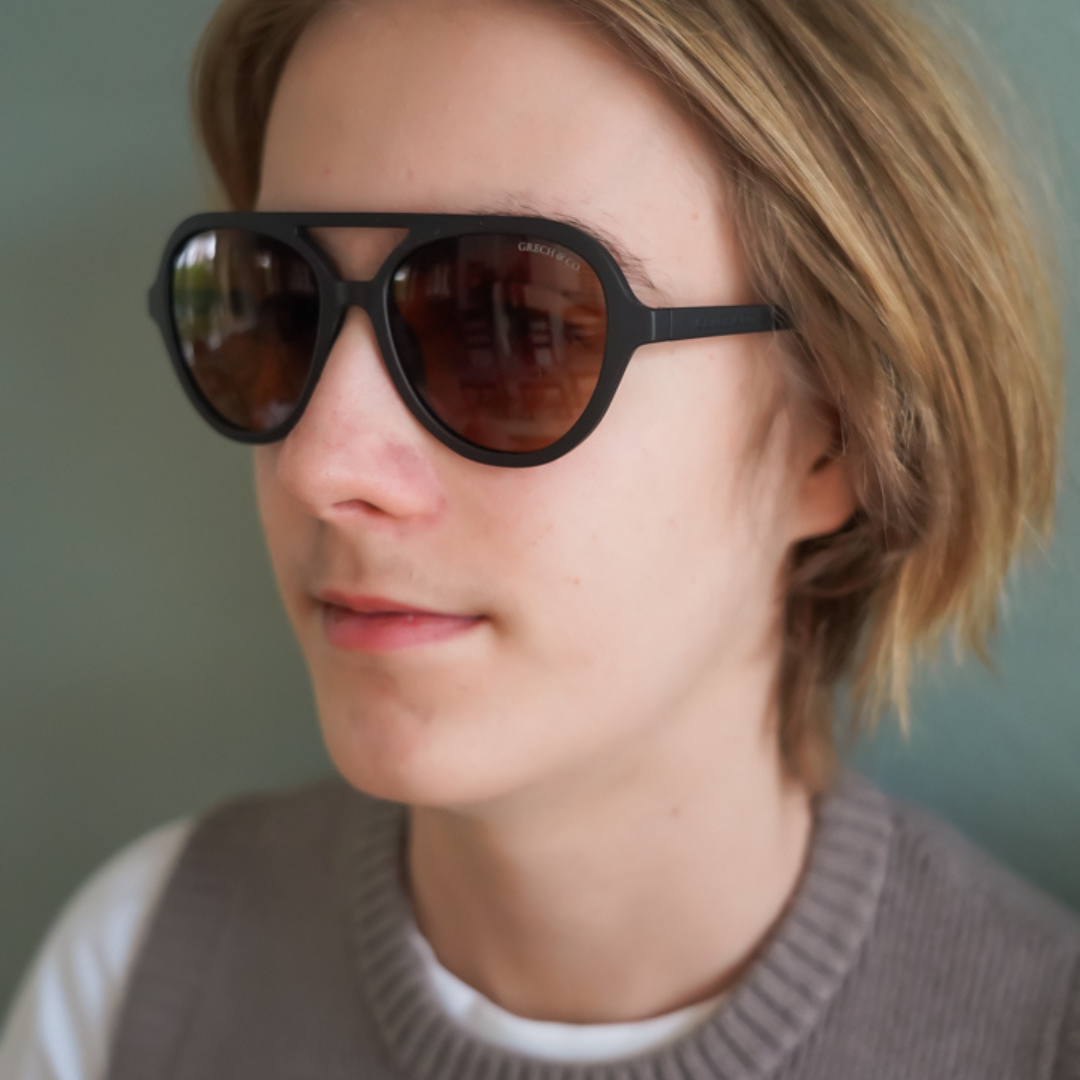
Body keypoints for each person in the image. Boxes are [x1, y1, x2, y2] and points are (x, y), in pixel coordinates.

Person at [1, 0, 1077, 1076]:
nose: (319, 464)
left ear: (834, 431)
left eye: (513, 327)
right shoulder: (136, 988)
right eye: (281, 304)